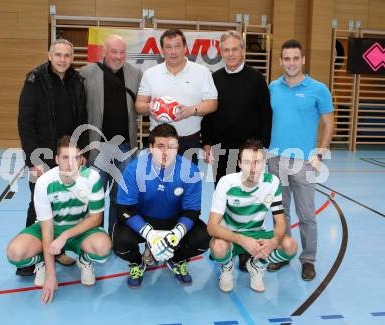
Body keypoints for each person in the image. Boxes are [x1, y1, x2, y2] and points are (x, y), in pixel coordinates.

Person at [6, 136, 112, 304]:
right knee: (15, 252)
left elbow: (96, 218)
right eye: (65, 158)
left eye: (75, 158)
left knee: (104, 249)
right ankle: (41, 261)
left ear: (82, 159)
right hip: (50, 229)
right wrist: (51, 274)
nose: (70, 164)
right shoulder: (44, 183)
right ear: (56, 159)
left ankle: (84, 261)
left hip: (79, 230)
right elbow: (47, 230)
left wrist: (65, 236)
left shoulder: (92, 178)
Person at [17, 39, 88, 275]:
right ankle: (32, 258)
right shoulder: (34, 80)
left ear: (72, 58)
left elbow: (83, 120)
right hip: (43, 155)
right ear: (49, 55)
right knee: (37, 206)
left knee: (67, 204)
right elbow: (25, 123)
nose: (62, 59)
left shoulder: (78, 81)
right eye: (58, 54)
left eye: (67, 55)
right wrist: (33, 160)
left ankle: (60, 251)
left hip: (70, 155)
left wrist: (82, 153)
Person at [267, 39, 334, 280]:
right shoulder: (273, 87)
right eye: (287, 58)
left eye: (296, 58)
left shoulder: (318, 89)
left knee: (306, 215)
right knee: (280, 214)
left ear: (303, 59)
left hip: (304, 162)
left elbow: (328, 123)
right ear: (281, 61)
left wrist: (320, 153)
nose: (291, 63)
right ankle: (284, 254)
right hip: (274, 160)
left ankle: (308, 259)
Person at [112, 124, 211, 288]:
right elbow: (123, 210)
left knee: (203, 239)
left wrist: (177, 234)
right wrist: (149, 234)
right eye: (160, 147)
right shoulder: (134, 169)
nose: (166, 152)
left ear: (177, 147)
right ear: (151, 148)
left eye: (171, 146)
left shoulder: (190, 170)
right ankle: (138, 262)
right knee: (120, 243)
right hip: (143, 220)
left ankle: (176, 259)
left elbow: (193, 211)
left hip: (175, 220)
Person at [207, 139, 297, 293]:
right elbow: (212, 227)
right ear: (240, 163)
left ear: (264, 162)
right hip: (231, 235)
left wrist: (274, 241)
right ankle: (227, 266)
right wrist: (241, 240)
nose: (253, 168)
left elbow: (280, 221)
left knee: (290, 246)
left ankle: (257, 265)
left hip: (257, 233)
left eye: (258, 162)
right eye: (248, 162)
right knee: (218, 248)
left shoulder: (272, 182)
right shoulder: (227, 183)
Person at [80, 34, 142, 234]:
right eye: (114, 51)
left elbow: (142, 107)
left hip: (125, 149)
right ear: (104, 51)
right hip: (96, 149)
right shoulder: (86, 73)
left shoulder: (135, 74)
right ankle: (95, 240)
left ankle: (116, 237)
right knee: (95, 196)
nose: (118, 56)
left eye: (122, 52)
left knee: (121, 197)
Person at [135, 29, 218, 164]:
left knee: (186, 183)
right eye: (168, 47)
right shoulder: (150, 74)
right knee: (157, 183)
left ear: (185, 48)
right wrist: (149, 107)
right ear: (162, 50)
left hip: (189, 141)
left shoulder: (202, 72)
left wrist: (191, 110)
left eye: (177, 46)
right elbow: (139, 106)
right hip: (159, 141)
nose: (173, 52)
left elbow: (212, 103)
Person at [201, 31, 272, 185]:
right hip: (220, 149)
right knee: (223, 195)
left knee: (249, 197)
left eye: (235, 49)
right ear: (221, 53)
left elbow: (266, 113)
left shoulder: (257, 79)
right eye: (226, 50)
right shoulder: (214, 79)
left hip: (249, 151)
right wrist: (206, 142)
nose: (231, 54)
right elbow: (207, 114)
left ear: (242, 51)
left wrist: (261, 146)